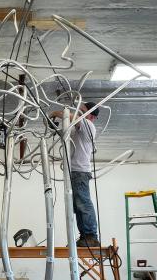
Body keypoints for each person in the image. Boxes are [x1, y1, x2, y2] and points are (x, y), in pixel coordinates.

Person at [50, 102, 100, 247]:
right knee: (77, 206)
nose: (78, 112)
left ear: (90, 115)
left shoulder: (88, 125)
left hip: (80, 171)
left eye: (82, 111)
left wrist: (54, 113)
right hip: (73, 172)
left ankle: (91, 235)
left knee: (83, 203)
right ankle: (84, 236)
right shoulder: (78, 127)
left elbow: (68, 116)